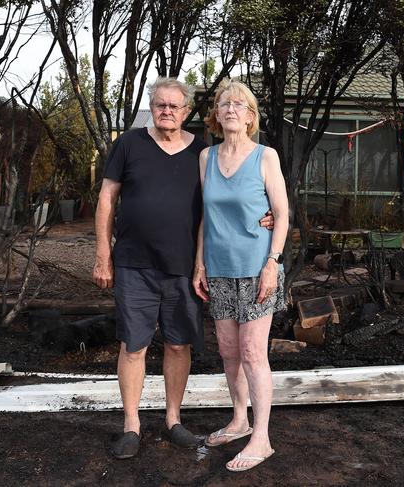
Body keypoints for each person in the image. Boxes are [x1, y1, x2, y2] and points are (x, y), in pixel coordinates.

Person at [92, 77, 273, 459]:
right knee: (134, 344)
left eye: (175, 106)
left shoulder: (201, 152)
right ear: (152, 107)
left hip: (182, 267)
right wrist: (102, 255)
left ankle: (173, 420)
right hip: (133, 263)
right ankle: (131, 425)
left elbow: (226, 198)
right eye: (161, 105)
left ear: (187, 112)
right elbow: (107, 199)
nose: (167, 111)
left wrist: (265, 215)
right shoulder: (128, 145)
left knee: (178, 344)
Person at [192, 80, 289, 472]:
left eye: (239, 104)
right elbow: (206, 218)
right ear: (215, 114)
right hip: (218, 270)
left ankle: (261, 438)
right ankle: (239, 420)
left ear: (250, 116)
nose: (230, 109)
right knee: (229, 353)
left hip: (256, 269)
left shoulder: (265, 157)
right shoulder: (206, 158)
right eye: (223, 103)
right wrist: (199, 264)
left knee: (252, 353)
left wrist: (273, 263)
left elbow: (281, 215)